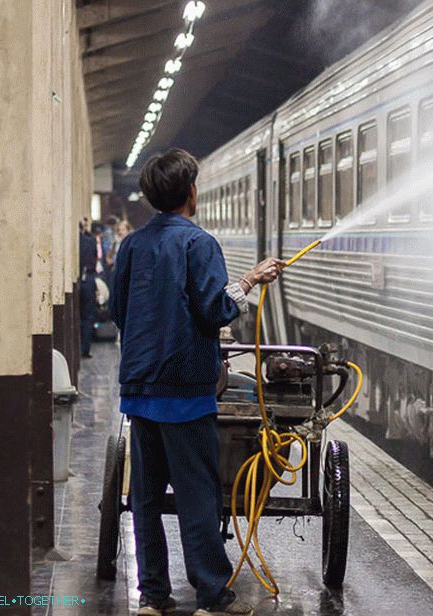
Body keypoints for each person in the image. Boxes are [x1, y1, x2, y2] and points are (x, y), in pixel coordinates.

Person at [110, 148, 283, 616]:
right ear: (190, 192)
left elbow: (117, 312)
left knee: (145, 499)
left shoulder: (132, 246)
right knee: (198, 499)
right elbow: (214, 310)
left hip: (141, 392)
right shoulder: (198, 243)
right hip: (186, 392)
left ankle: (152, 597)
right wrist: (249, 281)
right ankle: (211, 595)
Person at [79, 221, 98, 358]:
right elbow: (95, 258)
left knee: (81, 317)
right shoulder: (90, 242)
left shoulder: (73, 243)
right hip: (88, 280)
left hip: (78, 280)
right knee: (87, 317)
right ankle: (85, 349)